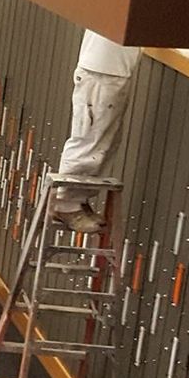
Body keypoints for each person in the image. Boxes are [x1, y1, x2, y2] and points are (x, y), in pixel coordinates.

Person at [50, 30, 141, 233]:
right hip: (100, 72)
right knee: (89, 141)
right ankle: (66, 205)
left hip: (110, 71)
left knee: (101, 143)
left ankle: (77, 200)